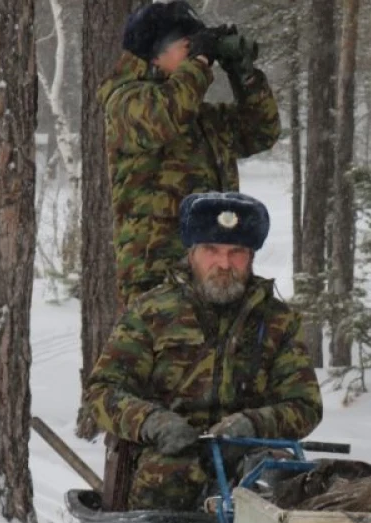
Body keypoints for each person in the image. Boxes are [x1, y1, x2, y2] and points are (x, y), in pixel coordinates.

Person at [86, 192, 321, 523]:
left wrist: (254, 423)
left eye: (236, 252)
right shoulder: (151, 313)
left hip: (245, 453)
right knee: (168, 472)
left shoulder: (277, 322)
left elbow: (304, 404)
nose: (224, 263)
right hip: (172, 453)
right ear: (191, 253)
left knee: (282, 484)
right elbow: (103, 392)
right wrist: (153, 422)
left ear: (250, 258)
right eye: (212, 250)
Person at [99, 0, 282, 308]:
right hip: (157, 278)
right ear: (155, 53)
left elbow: (261, 131)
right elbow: (162, 117)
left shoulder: (201, 119)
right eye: (187, 44)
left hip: (215, 272)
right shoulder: (125, 103)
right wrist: (199, 63)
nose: (198, 55)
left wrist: (243, 73)